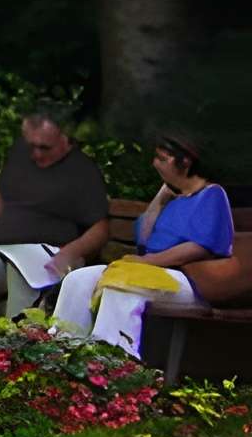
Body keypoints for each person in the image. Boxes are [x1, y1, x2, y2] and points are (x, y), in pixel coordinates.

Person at [52, 136, 235, 358]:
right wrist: (161, 197)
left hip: (189, 280)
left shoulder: (212, 195)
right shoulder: (175, 200)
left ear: (185, 162)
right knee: (77, 279)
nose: (155, 164)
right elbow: (145, 239)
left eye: (162, 159)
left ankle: (110, 364)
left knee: (121, 288)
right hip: (149, 272)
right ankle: (63, 352)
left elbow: (199, 248)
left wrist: (149, 261)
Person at [0, 107, 111, 326]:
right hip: (1, 254)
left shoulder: (83, 172)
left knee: (22, 269)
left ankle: (13, 350)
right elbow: (0, 197)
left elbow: (100, 230)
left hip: (50, 259)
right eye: (31, 145)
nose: (36, 154)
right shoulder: (22, 158)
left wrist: (69, 253)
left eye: (44, 147)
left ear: (65, 139)